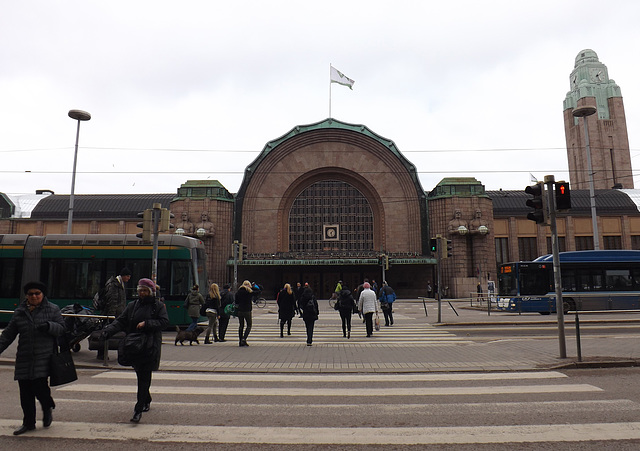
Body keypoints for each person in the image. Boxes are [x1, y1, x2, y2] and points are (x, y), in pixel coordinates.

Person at [0, 282, 66, 436]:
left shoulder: (53, 309)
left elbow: (62, 329)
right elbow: (8, 335)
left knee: (40, 388)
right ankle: (28, 423)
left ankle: (47, 406)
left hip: (44, 357)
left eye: (37, 293)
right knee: (25, 393)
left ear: (43, 294)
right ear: (26, 296)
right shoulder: (20, 312)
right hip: (24, 357)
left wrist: (49, 326)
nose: (34, 296)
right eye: (30, 294)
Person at [101, 278, 169, 423]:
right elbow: (121, 321)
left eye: (145, 291)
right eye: (140, 291)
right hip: (135, 346)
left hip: (150, 346)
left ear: (151, 292)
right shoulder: (133, 306)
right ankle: (146, 398)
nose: (142, 293)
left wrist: (147, 323)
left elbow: (164, 322)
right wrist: (108, 331)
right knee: (141, 377)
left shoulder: (158, 306)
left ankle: (138, 410)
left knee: (144, 377)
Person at [97, 267, 131, 360]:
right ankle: (101, 354)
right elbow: (113, 301)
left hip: (118, 314)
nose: (129, 278)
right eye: (128, 276)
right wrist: (111, 317)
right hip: (113, 315)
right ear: (123, 276)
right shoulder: (114, 285)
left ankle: (104, 353)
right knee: (107, 334)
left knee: (112, 333)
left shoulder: (119, 284)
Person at [235, 280, 253, 347]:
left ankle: (240, 341)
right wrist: (252, 287)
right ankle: (244, 339)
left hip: (240, 310)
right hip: (247, 310)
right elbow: (258, 291)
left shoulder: (238, 292)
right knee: (249, 325)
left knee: (241, 325)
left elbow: (236, 301)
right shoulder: (249, 292)